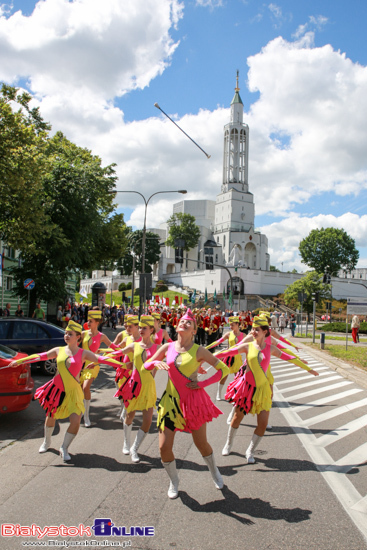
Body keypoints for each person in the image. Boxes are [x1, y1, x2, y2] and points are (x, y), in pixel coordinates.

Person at [144, 309, 230, 499]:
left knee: (201, 444)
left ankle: (214, 471)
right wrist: (154, 364)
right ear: (176, 326)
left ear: (194, 330)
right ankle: (174, 480)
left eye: (188, 323)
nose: (184, 324)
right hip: (170, 402)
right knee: (163, 447)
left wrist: (202, 383)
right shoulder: (167, 347)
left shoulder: (199, 350)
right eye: (181, 321)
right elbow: (146, 364)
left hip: (193, 403)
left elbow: (223, 369)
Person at [8, 320, 121, 461]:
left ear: (78, 337)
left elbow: (102, 359)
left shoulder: (83, 353)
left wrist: (122, 364)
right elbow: (39, 356)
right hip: (57, 389)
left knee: (75, 420)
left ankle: (64, 447)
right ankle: (47, 442)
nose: (66, 336)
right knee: (51, 416)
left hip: (73, 391)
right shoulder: (58, 350)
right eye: (66, 333)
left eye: (70, 334)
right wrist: (20, 361)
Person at [218, 316, 318, 463]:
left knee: (263, 424)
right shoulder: (248, 345)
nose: (253, 332)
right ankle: (229, 444)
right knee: (237, 418)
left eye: (256, 330)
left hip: (263, 389)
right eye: (252, 329)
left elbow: (289, 358)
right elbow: (226, 352)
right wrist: (203, 357)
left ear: (265, 332)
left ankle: (250, 451)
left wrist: (308, 369)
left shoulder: (271, 348)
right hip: (246, 388)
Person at [115, 316, 159, 463]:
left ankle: (135, 447)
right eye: (139, 328)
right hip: (134, 385)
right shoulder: (135, 345)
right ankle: (126, 443)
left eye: (144, 328)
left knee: (147, 421)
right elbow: (118, 355)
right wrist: (97, 360)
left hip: (148, 387)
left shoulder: (157, 348)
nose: (140, 330)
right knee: (129, 416)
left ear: (151, 330)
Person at [79, 309, 119, 427]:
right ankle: (82, 411)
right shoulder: (83, 334)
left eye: (91, 321)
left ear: (97, 322)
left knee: (86, 387)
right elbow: (74, 346)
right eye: (88, 321)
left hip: (93, 365)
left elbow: (113, 347)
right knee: (80, 389)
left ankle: (86, 416)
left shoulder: (102, 336)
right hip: (81, 365)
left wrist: (127, 349)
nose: (88, 323)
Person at [206, 316, 245, 401]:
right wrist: (207, 348)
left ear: (238, 324)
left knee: (238, 377)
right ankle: (218, 394)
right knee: (224, 376)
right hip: (228, 358)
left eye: (232, 325)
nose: (230, 327)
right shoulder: (229, 334)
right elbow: (218, 341)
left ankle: (237, 394)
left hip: (238, 358)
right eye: (230, 325)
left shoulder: (244, 335)